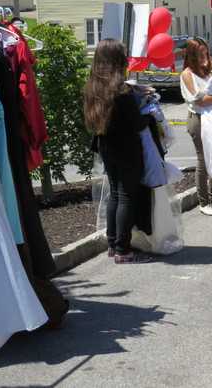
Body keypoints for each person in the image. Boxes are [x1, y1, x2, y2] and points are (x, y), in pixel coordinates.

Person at [84, 39, 152, 264]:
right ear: (117, 60)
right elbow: (137, 124)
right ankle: (123, 249)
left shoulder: (94, 86)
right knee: (126, 195)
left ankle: (113, 243)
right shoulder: (121, 90)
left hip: (105, 144)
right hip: (126, 145)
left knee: (114, 192)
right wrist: (146, 105)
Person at [180, 37, 212, 216]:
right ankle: (203, 202)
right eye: (200, 53)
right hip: (199, 120)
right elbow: (201, 101)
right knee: (204, 160)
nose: (205, 56)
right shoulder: (187, 74)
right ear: (192, 55)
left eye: (206, 52)